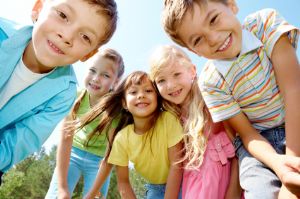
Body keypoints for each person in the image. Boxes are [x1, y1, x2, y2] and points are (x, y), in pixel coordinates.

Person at [162, 0, 300, 198]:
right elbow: (247, 134)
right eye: (198, 40)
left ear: (231, 5)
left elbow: (293, 89)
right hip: (258, 144)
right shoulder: (210, 82)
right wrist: (279, 165)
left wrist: (292, 168)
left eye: (214, 19)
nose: (214, 38)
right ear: (194, 51)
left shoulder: (264, 24)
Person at [0, 0, 118, 185]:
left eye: (85, 37)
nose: (67, 36)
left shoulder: (64, 94)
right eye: (63, 15)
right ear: (38, 8)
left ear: (88, 54)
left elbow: (19, 143)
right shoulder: (2, 33)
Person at [149, 44, 242, 199]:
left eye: (176, 74)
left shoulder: (212, 102)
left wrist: (234, 191)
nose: (171, 85)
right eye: (161, 80)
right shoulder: (170, 118)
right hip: (195, 187)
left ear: (192, 71)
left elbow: (239, 146)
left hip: (227, 182)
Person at [79, 71, 184, 199]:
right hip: (155, 188)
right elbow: (123, 182)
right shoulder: (122, 138)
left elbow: (176, 165)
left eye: (148, 91)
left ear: (157, 97)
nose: (141, 95)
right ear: (124, 103)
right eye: (133, 92)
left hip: (182, 182)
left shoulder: (168, 119)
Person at [45, 48, 124, 199]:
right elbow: (65, 139)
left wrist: (93, 193)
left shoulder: (116, 111)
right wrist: (62, 188)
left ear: (116, 82)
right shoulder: (74, 97)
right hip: (72, 153)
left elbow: (110, 155)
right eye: (92, 70)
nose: (95, 78)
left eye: (105, 75)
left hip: (99, 162)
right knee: (56, 195)